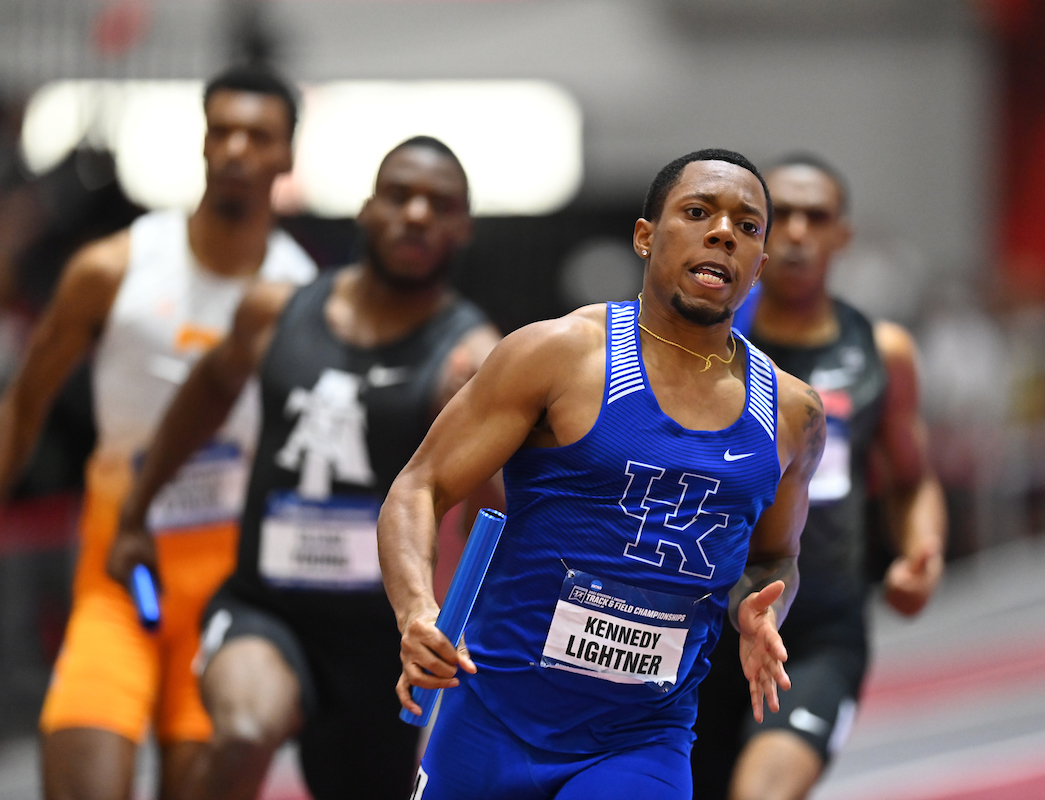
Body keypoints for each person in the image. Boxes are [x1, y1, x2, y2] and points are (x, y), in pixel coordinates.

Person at [378, 148, 828, 800]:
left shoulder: (792, 415)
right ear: (645, 237)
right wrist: (416, 611)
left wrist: (766, 611)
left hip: (640, 742)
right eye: (698, 212)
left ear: (758, 265)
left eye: (747, 225)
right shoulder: (557, 357)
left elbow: (775, 560)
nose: (723, 232)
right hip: (489, 719)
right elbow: (420, 487)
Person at [111, 135, 500, 800]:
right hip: (268, 608)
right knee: (243, 730)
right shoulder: (274, 312)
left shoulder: (469, 359)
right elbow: (202, 398)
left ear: (462, 227)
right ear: (366, 209)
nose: (416, 214)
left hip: (383, 644)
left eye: (439, 204)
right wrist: (134, 512)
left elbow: (496, 510)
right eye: (399, 195)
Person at [0, 64, 316, 800]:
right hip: (118, 573)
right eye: (223, 132)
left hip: (227, 596)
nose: (238, 149)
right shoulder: (113, 268)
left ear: (286, 157)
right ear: (204, 145)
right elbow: (25, 400)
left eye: (259, 135)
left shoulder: (301, 296)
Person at [691, 153, 947, 800]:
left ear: (842, 236)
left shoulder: (879, 352)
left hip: (816, 636)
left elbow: (912, 477)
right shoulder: (701, 345)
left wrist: (922, 553)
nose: (799, 233)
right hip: (697, 628)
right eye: (782, 217)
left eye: (817, 217)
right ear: (756, 232)